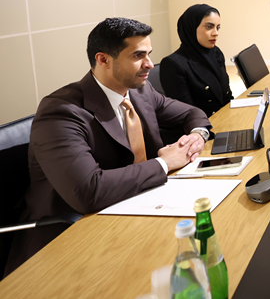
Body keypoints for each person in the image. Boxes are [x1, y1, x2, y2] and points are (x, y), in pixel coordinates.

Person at [6, 18, 211, 275]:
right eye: (138, 55)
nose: (149, 64)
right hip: (67, 240)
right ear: (103, 59)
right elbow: (88, 191)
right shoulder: (60, 112)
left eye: (148, 54)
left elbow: (191, 113)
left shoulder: (140, 91)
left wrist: (197, 135)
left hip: (134, 208)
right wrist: (165, 163)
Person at [160, 4, 233, 118]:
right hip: (203, 125)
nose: (216, 33)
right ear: (191, 28)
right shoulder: (173, 64)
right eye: (209, 27)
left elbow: (227, 96)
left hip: (225, 118)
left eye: (217, 27)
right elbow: (187, 114)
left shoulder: (215, 53)